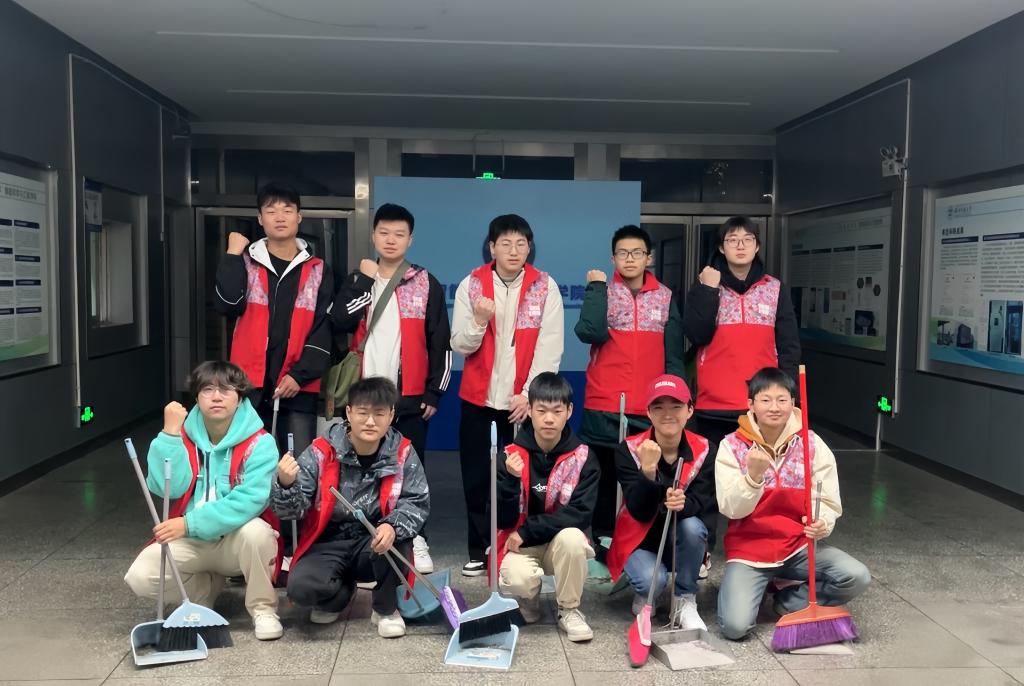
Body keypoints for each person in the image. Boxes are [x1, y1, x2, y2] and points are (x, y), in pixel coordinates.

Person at [124, 361, 283, 640]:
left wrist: (189, 523)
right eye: (208, 390)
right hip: (192, 541)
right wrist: (169, 435)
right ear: (197, 397)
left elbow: (250, 500)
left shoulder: (260, 442)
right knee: (140, 575)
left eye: (226, 390)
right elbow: (166, 488)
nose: (217, 397)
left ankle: (263, 609)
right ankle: (202, 593)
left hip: (234, 538)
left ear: (240, 397)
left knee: (257, 533)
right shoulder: (182, 436)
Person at [332, 203, 452, 574]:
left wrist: (434, 392)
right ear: (373, 235)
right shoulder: (358, 279)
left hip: (410, 396)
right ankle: (360, 536)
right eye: (384, 232)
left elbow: (441, 341)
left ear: (410, 239)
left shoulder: (425, 282)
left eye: (399, 234)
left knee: (412, 471)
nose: (391, 240)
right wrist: (364, 283)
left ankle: (416, 538)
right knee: (359, 471)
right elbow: (339, 320)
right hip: (363, 396)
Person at [715, 368, 870, 641]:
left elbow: (827, 498)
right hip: (750, 553)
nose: (774, 407)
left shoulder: (811, 443)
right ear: (751, 404)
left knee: (857, 576)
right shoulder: (731, 446)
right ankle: (756, 587)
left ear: (793, 402)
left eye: (782, 399)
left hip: (798, 548)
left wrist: (822, 522)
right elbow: (731, 508)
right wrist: (752, 478)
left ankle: (788, 601)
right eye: (765, 400)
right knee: (735, 627)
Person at [270, 377, 429, 638]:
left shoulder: (403, 452)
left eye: (379, 413)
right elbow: (291, 512)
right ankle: (338, 596)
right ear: (349, 412)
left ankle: (385, 609)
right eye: (363, 412)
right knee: (301, 589)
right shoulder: (321, 451)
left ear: (391, 415)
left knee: (398, 542)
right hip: (328, 541)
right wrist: (286, 484)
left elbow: (416, 502)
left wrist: (392, 525)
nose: (370, 421)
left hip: (374, 541)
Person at [450, 214, 564, 577]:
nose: (513, 251)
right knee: (476, 477)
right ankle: (478, 548)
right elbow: (460, 345)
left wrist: (529, 395)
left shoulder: (545, 286)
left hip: (523, 403)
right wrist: (478, 320)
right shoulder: (472, 284)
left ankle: (517, 548)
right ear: (491, 247)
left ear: (529, 248)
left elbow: (550, 346)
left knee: (522, 478)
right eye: (505, 243)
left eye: (521, 244)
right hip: (478, 399)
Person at [575, 224, 685, 541]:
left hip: (649, 406)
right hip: (605, 402)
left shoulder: (664, 297)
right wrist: (596, 289)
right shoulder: (603, 292)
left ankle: (642, 541)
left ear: (649, 258)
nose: (630, 258)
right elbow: (589, 332)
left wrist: (676, 404)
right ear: (613, 258)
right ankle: (603, 541)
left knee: (646, 478)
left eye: (637, 252)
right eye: (623, 253)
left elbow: (674, 354)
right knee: (603, 479)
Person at [214, 181, 335, 457]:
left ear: (299, 217)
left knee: (300, 466)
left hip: (298, 386)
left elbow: (323, 327)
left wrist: (299, 375)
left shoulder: (318, 269)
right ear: (260, 219)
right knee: (248, 464)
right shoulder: (245, 262)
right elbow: (226, 304)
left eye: (287, 210)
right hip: (249, 385)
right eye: (271, 211)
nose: (280, 217)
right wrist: (232, 255)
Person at [495, 372, 599, 642]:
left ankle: (569, 609)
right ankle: (528, 599)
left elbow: (580, 514)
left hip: (557, 542)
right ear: (529, 410)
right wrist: (510, 480)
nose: (549, 419)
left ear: (569, 411)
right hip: (520, 544)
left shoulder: (584, 457)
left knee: (574, 538)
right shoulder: (509, 456)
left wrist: (528, 530)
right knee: (517, 578)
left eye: (557, 411)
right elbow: (501, 519)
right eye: (541, 411)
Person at [606, 375, 715, 631]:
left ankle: (685, 599)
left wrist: (683, 504)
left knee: (693, 527)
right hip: (639, 541)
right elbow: (639, 511)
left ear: (689, 410)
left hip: (679, 539)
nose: (667, 414)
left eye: (676, 406)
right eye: (658, 407)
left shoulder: (705, 449)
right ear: (648, 412)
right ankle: (647, 593)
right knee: (650, 581)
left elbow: (704, 503)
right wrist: (647, 472)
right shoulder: (628, 450)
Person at [682, 216, 800, 449]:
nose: (740, 245)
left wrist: (790, 396)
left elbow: (789, 347)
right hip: (713, 404)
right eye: (732, 239)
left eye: (748, 239)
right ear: (721, 247)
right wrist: (708, 290)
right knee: (716, 468)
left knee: (760, 469)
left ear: (757, 247)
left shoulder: (774, 288)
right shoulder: (705, 286)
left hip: (763, 403)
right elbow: (696, 335)